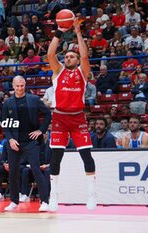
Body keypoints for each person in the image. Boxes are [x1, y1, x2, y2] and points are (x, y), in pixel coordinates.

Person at [47, 18, 97, 212]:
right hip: (59, 117)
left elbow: (85, 57)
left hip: (78, 118)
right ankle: (54, 195)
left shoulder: (82, 73)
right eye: (66, 56)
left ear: (76, 61)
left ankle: (92, 193)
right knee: (56, 157)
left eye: (71, 57)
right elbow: (51, 53)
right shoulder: (58, 71)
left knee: (86, 155)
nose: (68, 58)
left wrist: (77, 32)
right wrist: (59, 31)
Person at [2, 75, 51, 212]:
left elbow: (48, 114)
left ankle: (45, 201)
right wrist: (10, 139)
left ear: (25, 85)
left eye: (22, 85)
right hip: (15, 142)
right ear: (13, 86)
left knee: (36, 169)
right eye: (17, 86)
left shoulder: (34, 100)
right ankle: (14, 201)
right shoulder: (7, 103)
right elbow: (5, 124)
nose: (19, 88)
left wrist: (41, 130)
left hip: (31, 142)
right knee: (12, 172)